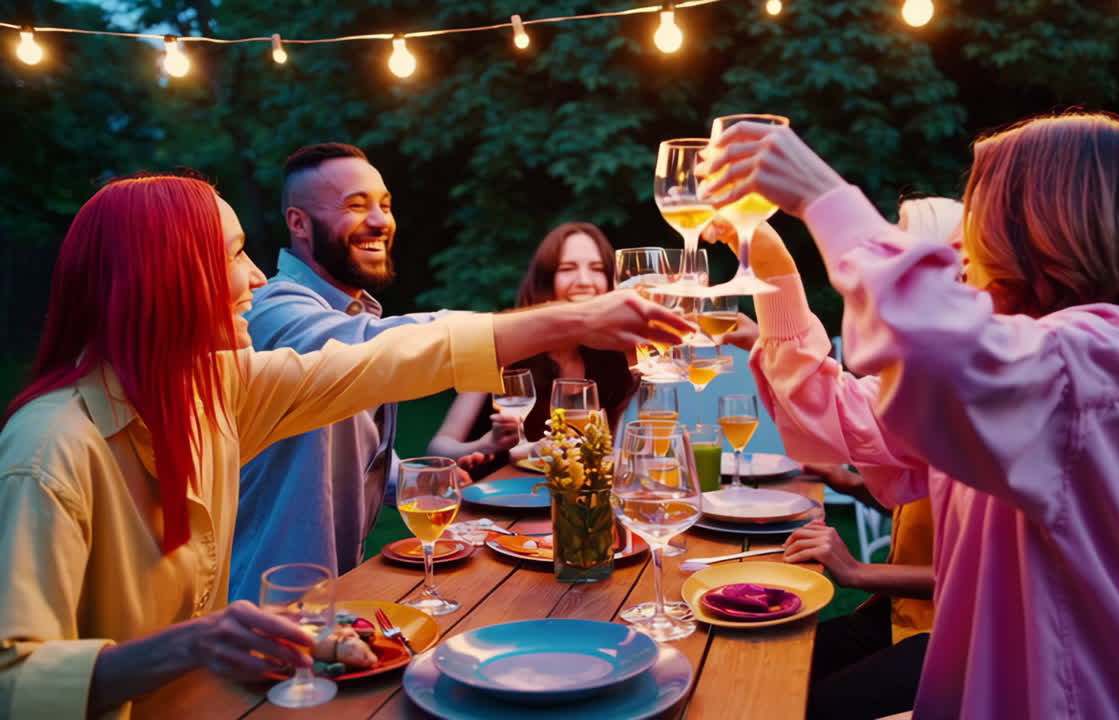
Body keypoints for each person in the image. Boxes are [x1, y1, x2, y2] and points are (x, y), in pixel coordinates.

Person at [0, 172, 688, 717]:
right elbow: (13, 683)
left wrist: (576, 318)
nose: (258, 278)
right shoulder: (50, 450)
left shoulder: (216, 390)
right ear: (163, 274)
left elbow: (386, 358)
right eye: (235, 252)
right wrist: (188, 645)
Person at [699, 112, 1119, 718]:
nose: (964, 245)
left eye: (981, 213)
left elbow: (934, 351)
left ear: (1043, 229)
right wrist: (777, 268)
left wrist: (823, 196)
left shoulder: (1102, 356)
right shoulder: (1026, 366)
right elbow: (842, 416)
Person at [718, 196, 954, 720]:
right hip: (899, 614)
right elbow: (912, 480)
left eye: (901, 247)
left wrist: (857, 571)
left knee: (791, 702)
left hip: (965, 638)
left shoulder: (964, 392)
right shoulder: (926, 380)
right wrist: (847, 482)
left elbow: (974, 573)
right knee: (758, 666)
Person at [231, 143, 489, 602]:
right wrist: (524, 330)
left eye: (384, 205)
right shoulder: (275, 313)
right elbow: (377, 350)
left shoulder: (350, 315)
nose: (379, 221)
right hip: (262, 610)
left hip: (333, 605)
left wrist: (416, 481)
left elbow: (341, 441)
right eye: (356, 205)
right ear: (298, 223)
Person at [428, 222, 638, 470]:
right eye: (568, 268)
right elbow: (438, 448)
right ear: (545, 281)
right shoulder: (505, 346)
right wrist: (484, 445)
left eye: (597, 269)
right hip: (496, 499)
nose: (584, 281)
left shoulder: (615, 359)